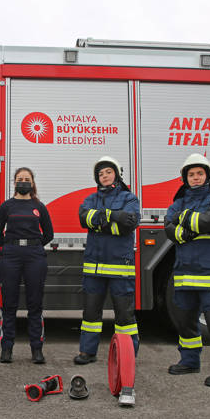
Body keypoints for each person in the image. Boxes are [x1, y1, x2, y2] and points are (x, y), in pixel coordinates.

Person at [164, 153, 210, 387]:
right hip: (186, 274)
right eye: (191, 174)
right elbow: (168, 226)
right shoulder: (177, 203)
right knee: (186, 322)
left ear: (207, 175)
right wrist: (186, 231)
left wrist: (185, 219)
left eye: (199, 173)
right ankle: (189, 361)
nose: (195, 178)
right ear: (185, 178)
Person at [74, 156, 140, 365]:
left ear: (116, 174)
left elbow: (129, 223)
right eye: (101, 174)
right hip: (94, 268)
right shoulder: (90, 200)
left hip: (120, 267)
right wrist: (113, 218)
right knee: (91, 314)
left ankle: (127, 354)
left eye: (108, 172)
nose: (104, 176)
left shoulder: (129, 198)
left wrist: (102, 219)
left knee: (124, 317)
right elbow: (84, 218)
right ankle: (87, 352)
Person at [0, 167, 54, 364]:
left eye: (27, 179)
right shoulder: (6, 206)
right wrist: (10, 246)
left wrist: (33, 246)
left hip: (34, 257)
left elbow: (49, 234)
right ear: (14, 182)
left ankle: (37, 349)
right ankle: (6, 349)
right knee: (8, 305)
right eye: (20, 179)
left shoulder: (39, 206)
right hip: (11, 256)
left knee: (35, 305)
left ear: (32, 183)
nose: (23, 182)